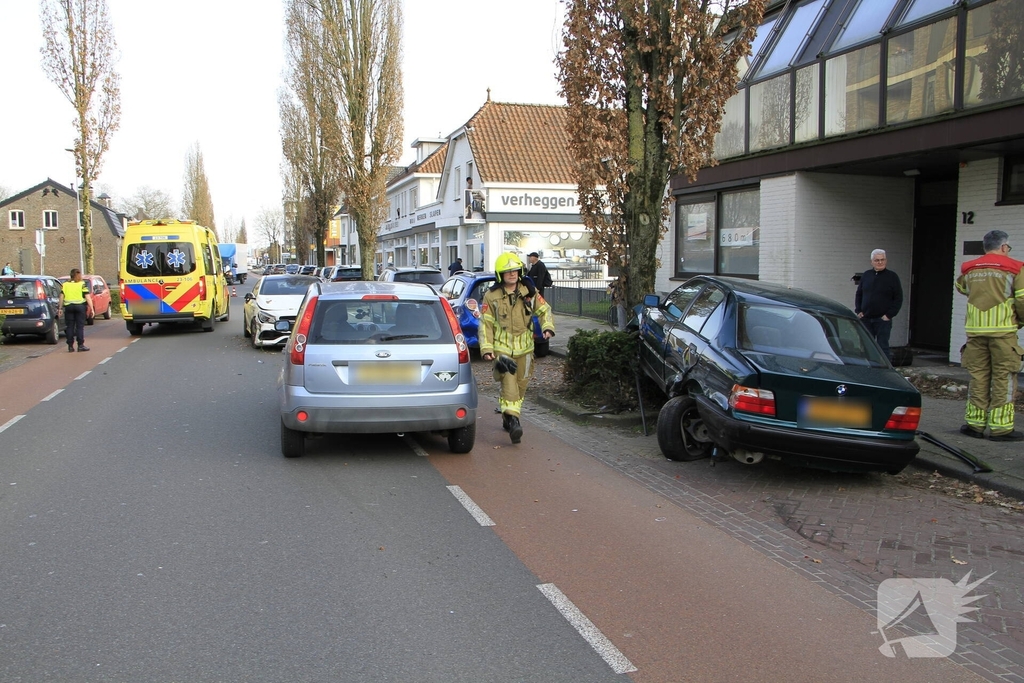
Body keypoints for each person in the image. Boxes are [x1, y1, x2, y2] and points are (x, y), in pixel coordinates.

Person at [479, 252, 555, 444]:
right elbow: (485, 324)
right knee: (509, 383)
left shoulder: (529, 291)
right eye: (507, 271)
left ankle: (508, 415)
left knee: (521, 386)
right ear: (500, 275)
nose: (512, 274)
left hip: (526, 349)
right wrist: (487, 348)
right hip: (503, 349)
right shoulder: (491, 296)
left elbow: (544, 310)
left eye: (515, 270)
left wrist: (547, 327)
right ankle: (514, 422)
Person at [955, 230, 1024, 441]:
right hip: (1002, 333)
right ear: (1004, 247)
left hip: (975, 332)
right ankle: (1001, 429)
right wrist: (1020, 321)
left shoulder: (970, 268)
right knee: (1004, 378)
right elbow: (1022, 299)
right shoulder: (1016, 268)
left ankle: (975, 426)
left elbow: (960, 286)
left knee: (978, 377)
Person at [855, 249, 902, 361]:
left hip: (882, 320)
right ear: (872, 262)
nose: (880, 262)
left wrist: (889, 315)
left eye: (882, 260)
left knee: (882, 347)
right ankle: (869, 369)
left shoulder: (892, 277)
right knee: (867, 346)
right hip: (866, 318)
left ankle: (885, 372)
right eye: (877, 260)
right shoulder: (866, 275)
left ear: (886, 261)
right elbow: (859, 294)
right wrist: (858, 310)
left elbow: (898, 298)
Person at [58, 268, 93, 353]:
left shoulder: (65, 285)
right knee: (79, 327)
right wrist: (92, 308)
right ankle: (80, 345)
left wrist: (60, 308)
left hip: (69, 307)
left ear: (71, 275)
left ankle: (70, 346)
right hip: (80, 307)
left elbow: (61, 297)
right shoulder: (82, 284)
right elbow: (87, 297)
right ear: (79, 276)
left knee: (70, 326)